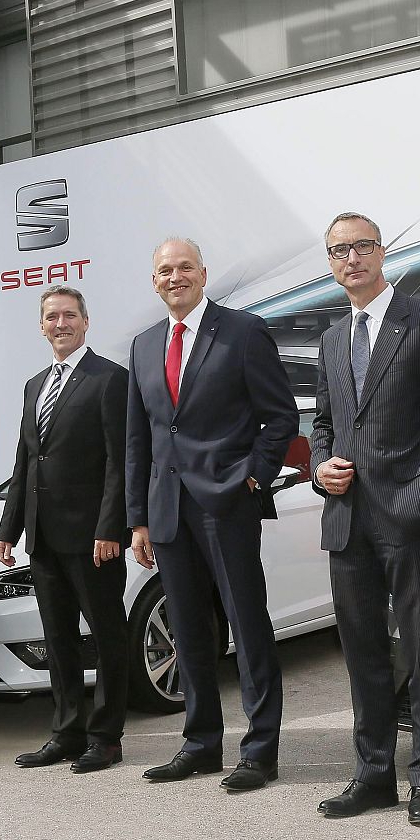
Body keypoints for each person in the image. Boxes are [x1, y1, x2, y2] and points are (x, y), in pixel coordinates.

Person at [126, 237, 299, 791]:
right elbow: (140, 439)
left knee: (247, 627)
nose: (174, 278)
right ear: (154, 281)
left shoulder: (243, 332)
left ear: (203, 274)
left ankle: (259, 750)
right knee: (189, 632)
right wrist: (139, 518)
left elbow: (280, 418)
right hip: (169, 511)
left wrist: (252, 479)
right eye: (163, 271)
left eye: (183, 268)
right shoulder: (144, 345)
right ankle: (201, 743)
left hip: (227, 505)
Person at [309, 212, 420, 825]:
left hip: (409, 512)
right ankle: (373, 774)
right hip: (348, 516)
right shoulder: (334, 336)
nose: (352, 260)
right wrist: (320, 468)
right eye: (340, 251)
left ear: (382, 252)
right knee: (362, 649)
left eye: (362, 247)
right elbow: (322, 424)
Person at [0, 287, 132, 774]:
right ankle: (67, 731)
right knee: (57, 639)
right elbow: (26, 459)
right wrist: (9, 527)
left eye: (69, 315)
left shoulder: (110, 379)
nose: (60, 324)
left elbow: (120, 462)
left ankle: (106, 737)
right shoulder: (35, 385)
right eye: (51, 316)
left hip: (94, 539)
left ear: (86, 321)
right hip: (44, 538)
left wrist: (109, 526)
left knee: (106, 635)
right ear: (41, 326)